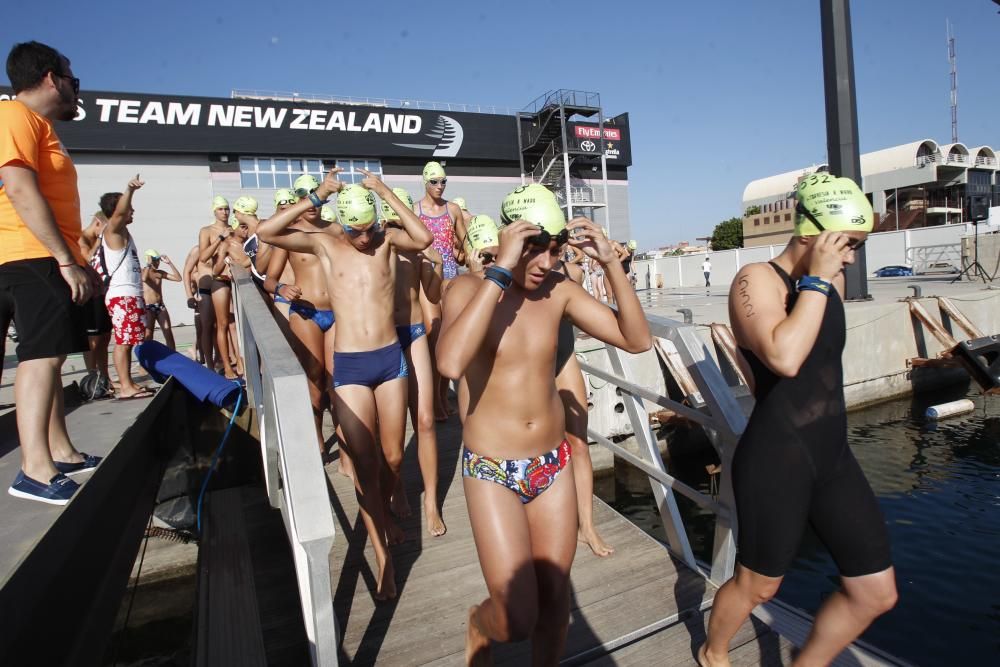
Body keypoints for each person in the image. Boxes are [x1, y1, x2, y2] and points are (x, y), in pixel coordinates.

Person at [437, 184, 651, 663]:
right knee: (514, 618)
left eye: (554, 250)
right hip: (493, 468)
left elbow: (635, 340)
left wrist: (611, 264)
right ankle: (479, 621)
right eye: (533, 248)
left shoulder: (560, 292)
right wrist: (498, 270)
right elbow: (450, 363)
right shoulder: (470, 290)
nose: (544, 263)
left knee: (556, 609)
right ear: (511, 237)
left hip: (552, 464)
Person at [699, 175, 896, 667]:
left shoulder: (835, 280)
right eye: (847, 245)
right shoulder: (755, 280)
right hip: (777, 456)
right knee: (758, 586)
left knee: (875, 592)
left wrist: (825, 277)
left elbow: (820, 356)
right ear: (811, 236)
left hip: (832, 454)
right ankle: (713, 653)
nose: (851, 258)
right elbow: (784, 358)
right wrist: (815, 279)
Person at [259, 167, 434, 600]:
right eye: (355, 230)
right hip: (352, 368)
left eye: (368, 228)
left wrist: (382, 191)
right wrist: (316, 197)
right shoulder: (324, 243)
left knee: (394, 458)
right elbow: (268, 230)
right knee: (366, 464)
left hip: (390, 361)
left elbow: (424, 238)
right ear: (342, 223)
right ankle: (384, 560)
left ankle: (389, 512)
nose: (363, 238)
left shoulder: (387, 240)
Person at [1, 41, 100, 504]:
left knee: (53, 355)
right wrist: (64, 259)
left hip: (40, 253)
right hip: (30, 253)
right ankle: (33, 470)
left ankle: (60, 451)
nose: (75, 89)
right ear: (48, 77)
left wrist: (76, 258)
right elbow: (20, 190)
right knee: (40, 358)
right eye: (71, 78)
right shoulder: (15, 116)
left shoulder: (38, 125)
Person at [383, 187, 447, 536]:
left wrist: (435, 263)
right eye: (394, 216)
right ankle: (398, 488)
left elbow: (433, 294)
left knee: (424, 421)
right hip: (385, 339)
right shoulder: (379, 244)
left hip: (414, 332)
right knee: (392, 433)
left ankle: (431, 501)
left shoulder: (419, 251)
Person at [262, 176, 337, 454]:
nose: (312, 200)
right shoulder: (289, 235)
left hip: (337, 313)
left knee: (337, 379)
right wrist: (282, 286)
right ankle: (316, 433)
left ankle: (346, 449)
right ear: (299, 199)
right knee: (314, 376)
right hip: (306, 313)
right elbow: (269, 280)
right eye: (305, 195)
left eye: (316, 192)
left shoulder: (335, 230)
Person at [415, 161, 463, 420]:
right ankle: (433, 401)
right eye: (434, 181)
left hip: (451, 280)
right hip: (426, 282)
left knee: (447, 340)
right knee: (434, 340)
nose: (439, 186)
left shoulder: (452, 209)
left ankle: (443, 397)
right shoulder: (415, 209)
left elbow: (464, 244)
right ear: (425, 182)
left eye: (443, 181)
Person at [99, 176, 154, 399]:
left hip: (130, 293)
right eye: (129, 208)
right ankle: (125, 387)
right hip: (121, 294)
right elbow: (120, 213)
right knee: (123, 342)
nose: (132, 212)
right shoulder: (113, 229)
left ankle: (128, 383)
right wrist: (130, 190)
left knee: (130, 340)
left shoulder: (123, 233)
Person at [197, 196, 240, 379]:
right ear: (214, 211)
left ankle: (240, 362)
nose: (224, 212)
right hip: (219, 280)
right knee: (220, 324)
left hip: (236, 279)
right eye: (221, 209)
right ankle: (224, 366)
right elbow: (203, 257)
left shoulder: (235, 228)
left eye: (227, 209)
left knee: (235, 326)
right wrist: (220, 240)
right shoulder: (207, 231)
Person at [141, 249, 181, 349]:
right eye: (155, 260)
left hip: (160, 307)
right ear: (149, 260)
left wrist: (169, 263)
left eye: (158, 260)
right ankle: (148, 361)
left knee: (168, 333)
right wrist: (148, 264)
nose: (158, 263)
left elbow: (178, 278)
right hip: (148, 308)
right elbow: (144, 279)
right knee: (148, 335)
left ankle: (173, 358)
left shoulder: (160, 273)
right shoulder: (143, 271)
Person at [181, 244, 206, 363]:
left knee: (206, 326)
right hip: (198, 289)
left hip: (202, 287)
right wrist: (190, 296)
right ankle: (198, 352)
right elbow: (187, 272)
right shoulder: (197, 250)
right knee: (201, 326)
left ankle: (196, 349)